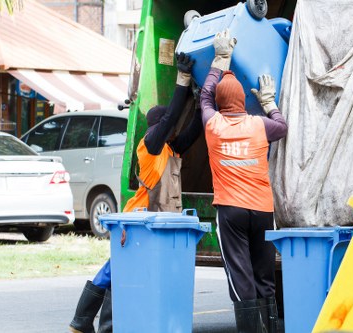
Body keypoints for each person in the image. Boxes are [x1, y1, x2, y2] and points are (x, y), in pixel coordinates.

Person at [69, 52, 203, 333]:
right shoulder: (150, 145)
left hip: (154, 222)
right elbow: (169, 120)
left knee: (121, 270)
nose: (172, 127)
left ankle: (93, 324)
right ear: (158, 126)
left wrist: (202, 100)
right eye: (166, 124)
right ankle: (84, 321)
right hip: (137, 220)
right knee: (114, 270)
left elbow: (194, 130)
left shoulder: (169, 149)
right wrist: (181, 80)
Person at [200, 29, 288, 333]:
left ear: (220, 104)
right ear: (242, 101)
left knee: (241, 279)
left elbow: (204, 95)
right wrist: (268, 102)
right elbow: (282, 125)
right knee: (265, 277)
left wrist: (219, 60)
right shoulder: (258, 125)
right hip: (263, 211)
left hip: (231, 211)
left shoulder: (213, 125)